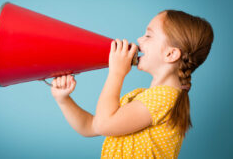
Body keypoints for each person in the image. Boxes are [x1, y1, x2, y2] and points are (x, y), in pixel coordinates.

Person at [50, 10, 214, 158]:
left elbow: (103, 124)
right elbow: (90, 126)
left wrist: (117, 73)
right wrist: (64, 100)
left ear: (170, 54)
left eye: (148, 36)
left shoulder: (165, 98)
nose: (138, 39)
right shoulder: (142, 96)